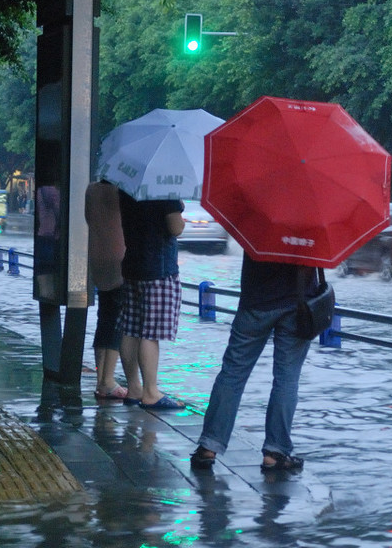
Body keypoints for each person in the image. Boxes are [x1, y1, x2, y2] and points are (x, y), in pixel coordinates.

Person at [191, 256, 318, 473]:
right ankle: (275, 452)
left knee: (232, 374)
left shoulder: (257, 222)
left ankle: (209, 447)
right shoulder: (314, 223)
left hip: (256, 302)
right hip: (297, 304)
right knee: (287, 379)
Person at [117, 190, 185, 409]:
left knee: (131, 328)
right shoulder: (166, 188)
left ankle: (134, 388)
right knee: (150, 333)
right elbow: (176, 228)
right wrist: (179, 208)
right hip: (159, 268)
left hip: (132, 264)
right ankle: (151, 392)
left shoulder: (127, 187)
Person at [85, 178, 127, 400]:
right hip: (119, 258)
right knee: (117, 320)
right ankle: (108, 381)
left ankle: (101, 379)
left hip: (97, 258)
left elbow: (88, 218)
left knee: (105, 316)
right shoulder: (122, 191)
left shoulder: (92, 189)